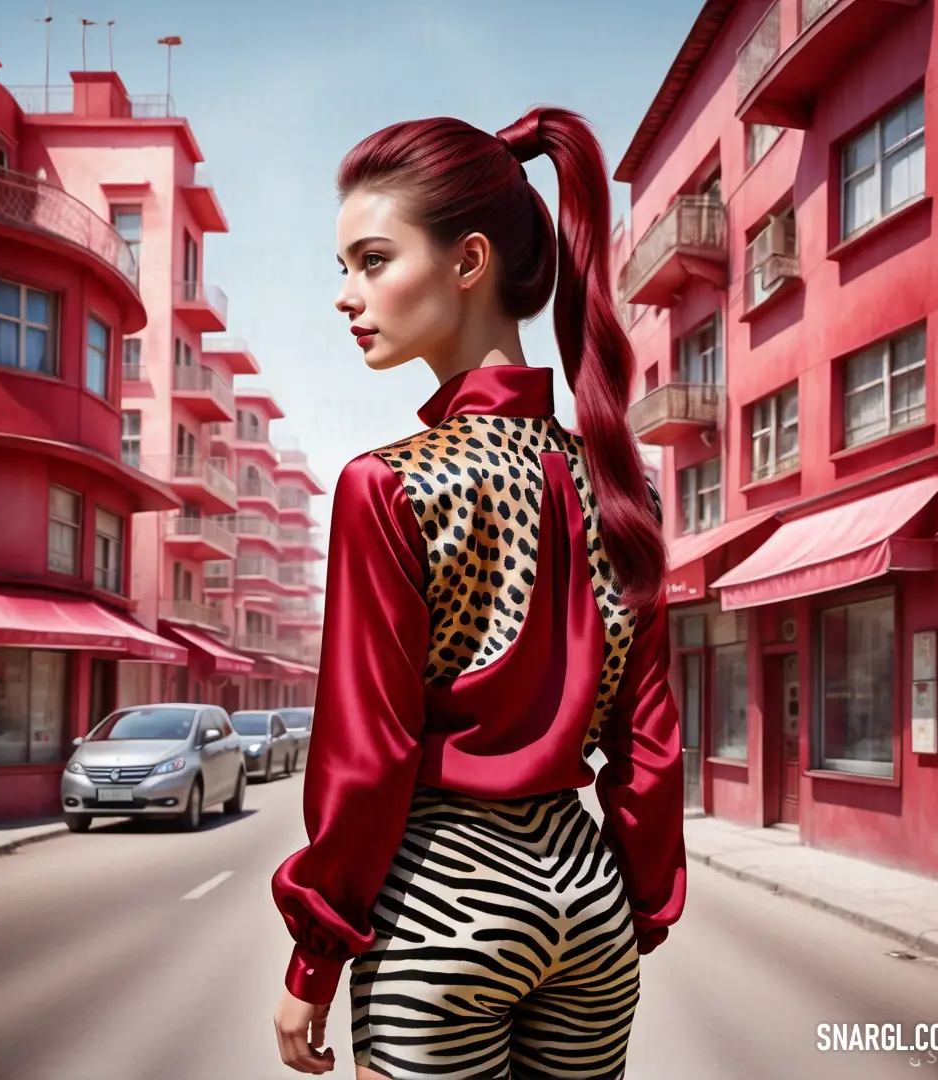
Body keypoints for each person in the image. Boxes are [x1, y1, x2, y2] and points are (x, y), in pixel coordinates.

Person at [272, 106, 686, 1080]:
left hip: (440, 899)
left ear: (467, 263)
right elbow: (650, 739)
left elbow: (365, 754)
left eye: (372, 261)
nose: (347, 295)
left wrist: (315, 955)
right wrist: (643, 905)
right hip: (588, 898)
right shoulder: (623, 486)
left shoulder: (389, 484)